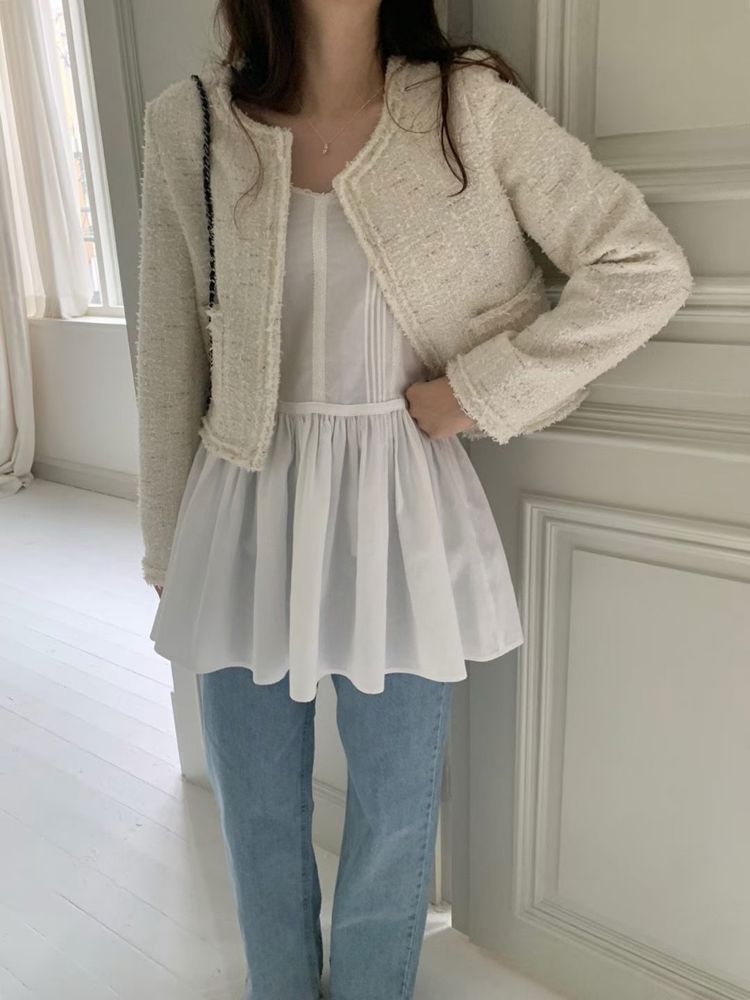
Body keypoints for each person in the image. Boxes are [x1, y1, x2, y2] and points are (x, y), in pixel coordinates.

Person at [134, 2, 693, 998]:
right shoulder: (192, 123)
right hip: (243, 502)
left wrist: (481, 391)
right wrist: (170, 549)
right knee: (254, 803)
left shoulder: (464, 110)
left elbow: (643, 267)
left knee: (395, 806)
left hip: (402, 509)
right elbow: (171, 355)